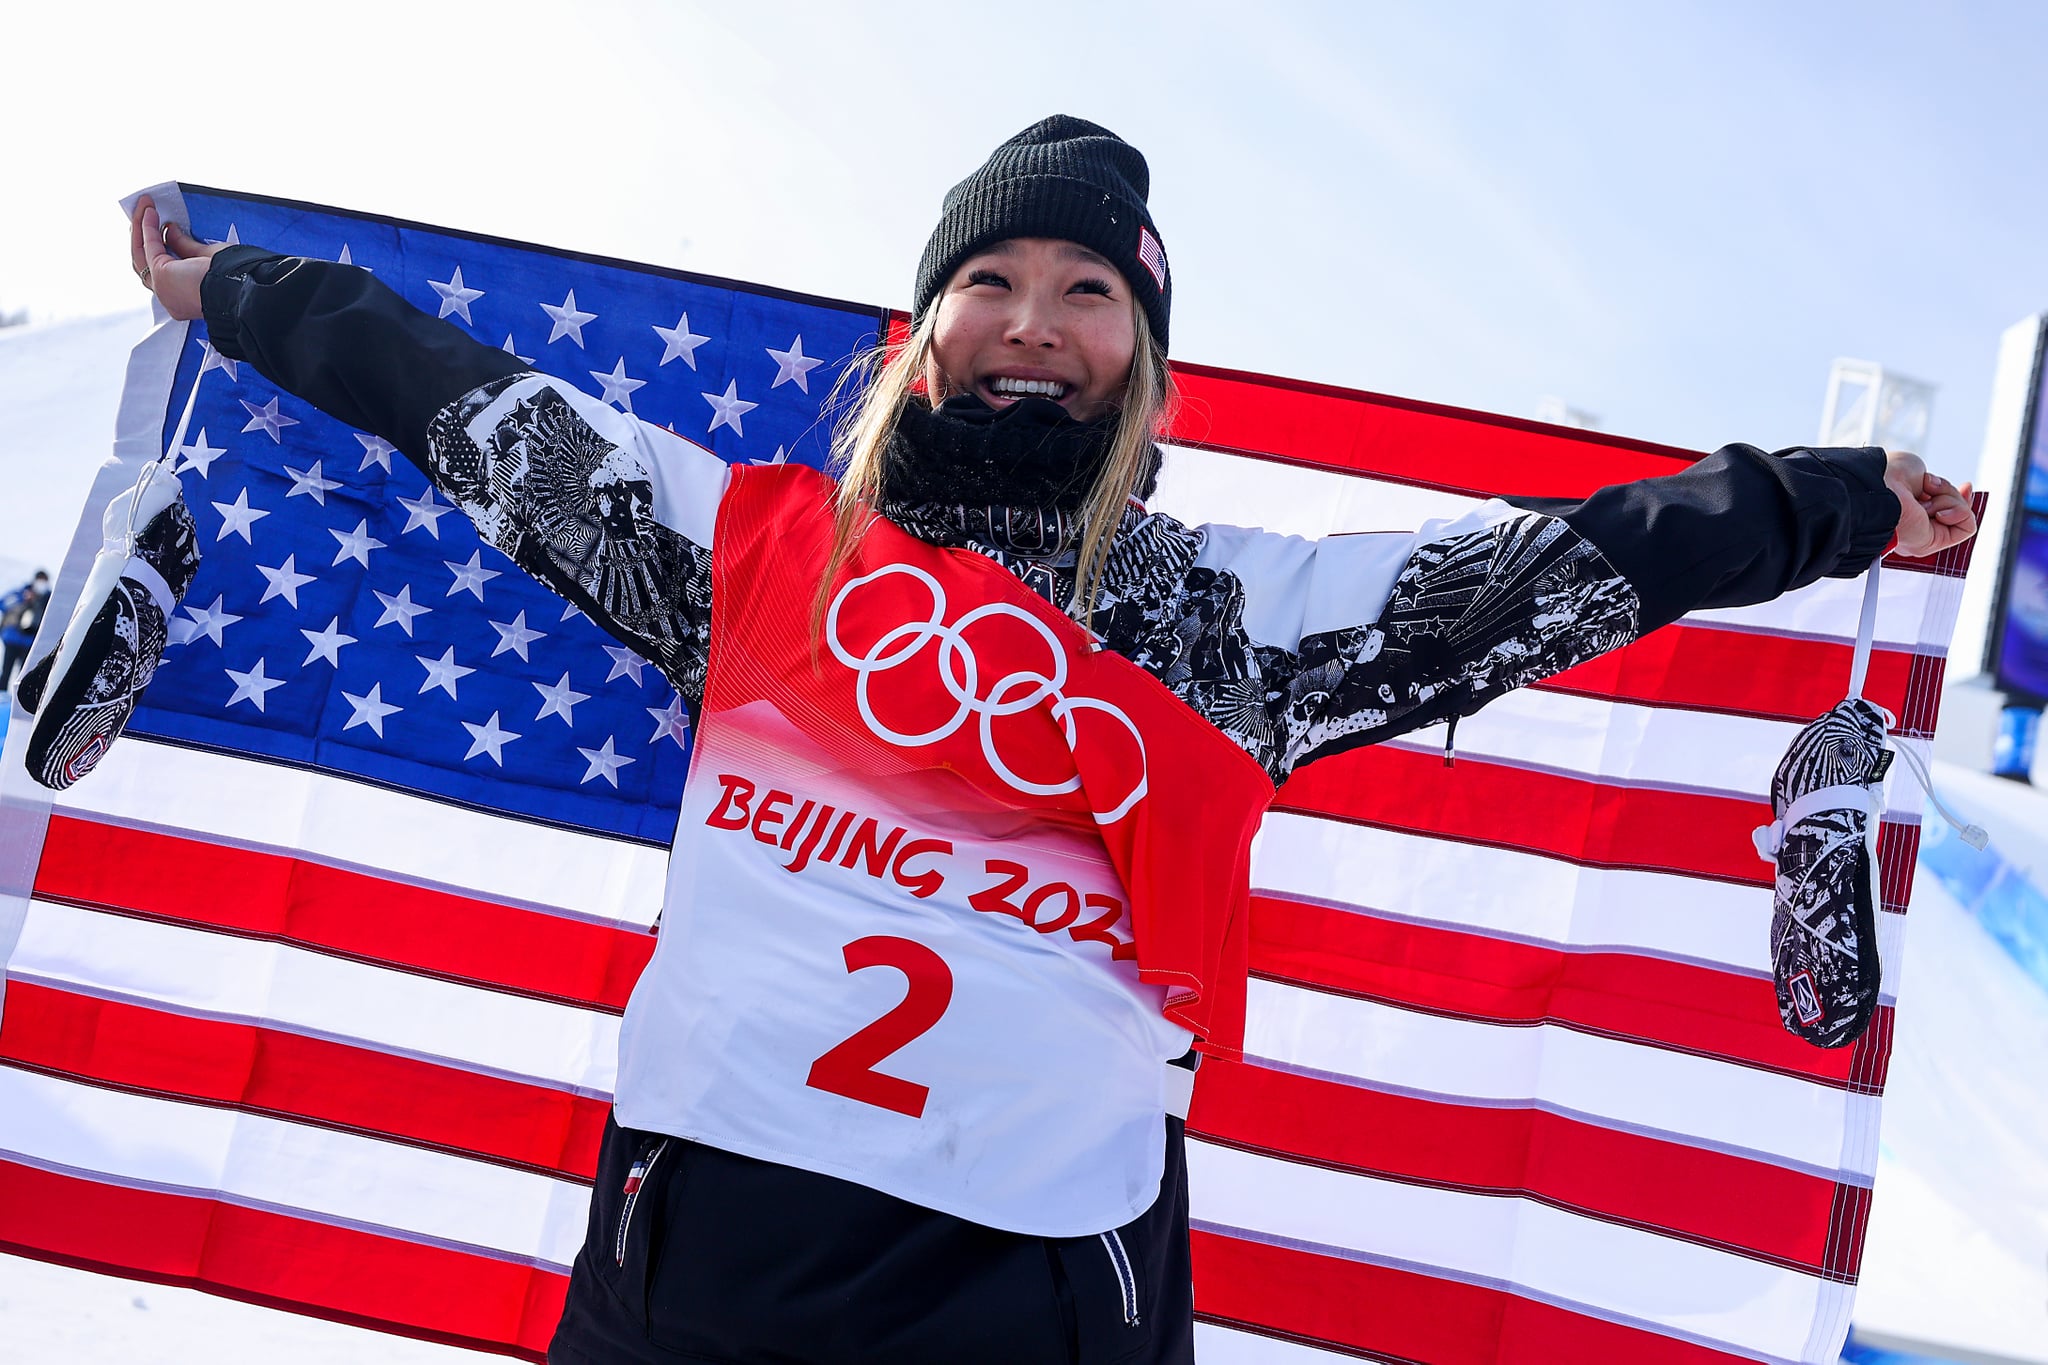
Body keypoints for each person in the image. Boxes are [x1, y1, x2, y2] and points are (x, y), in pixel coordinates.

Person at [130, 116, 1977, 1365]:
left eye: (1089, 293)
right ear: (922, 332)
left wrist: (1823, 504)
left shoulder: (1229, 623)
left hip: (1033, 1292)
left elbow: (1549, 572)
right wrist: (241, 291)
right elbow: (469, 410)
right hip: (696, 1267)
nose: (1036, 324)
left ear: (1144, 358)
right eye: (992, 283)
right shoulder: (754, 550)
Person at [2, 569, 51, 693]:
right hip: (13, 639)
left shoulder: (48, 599)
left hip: (30, 642)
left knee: (23, 675)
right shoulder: (20, 593)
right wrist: (23, 600)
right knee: (6, 672)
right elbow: (3, 603)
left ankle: (16, 700)